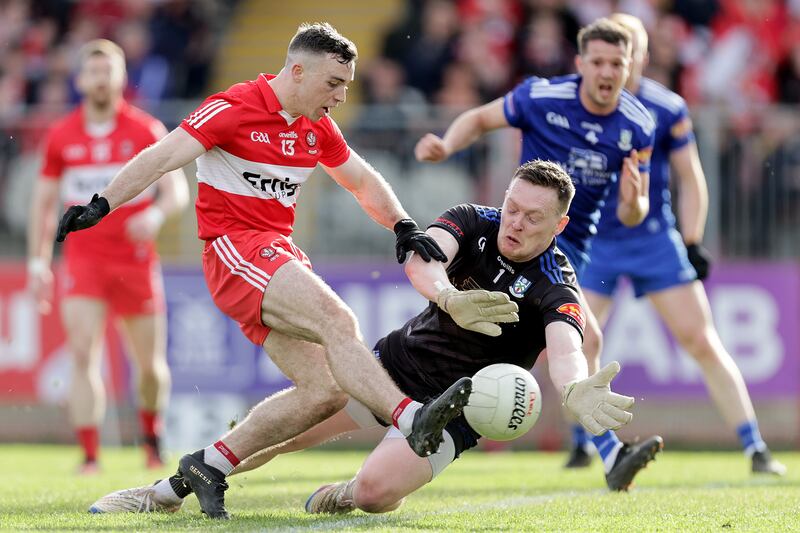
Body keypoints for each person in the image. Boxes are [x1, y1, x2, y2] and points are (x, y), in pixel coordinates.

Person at [57, 23, 486, 519]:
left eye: (346, 85)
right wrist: (103, 203)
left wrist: (403, 224)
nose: (342, 96)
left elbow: (361, 180)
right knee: (339, 322)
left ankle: (188, 477)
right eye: (333, 83)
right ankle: (413, 418)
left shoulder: (315, 123)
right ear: (297, 71)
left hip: (274, 256)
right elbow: (161, 157)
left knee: (325, 392)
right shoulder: (233, 107)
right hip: (234, 252)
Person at [88, 160, 643, 516]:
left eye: (532, 218)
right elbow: (425, 263)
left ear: (559, 226)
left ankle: (345, 493)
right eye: (513, 207)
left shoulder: (555, 284)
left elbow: (567, 348)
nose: (514, 223)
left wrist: (573, 390)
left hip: (455, 416)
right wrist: (449, 297)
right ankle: (162, 494)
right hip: (390, 372)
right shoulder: (474, 220)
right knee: (280, 436)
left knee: (375, 497)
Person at [414, 18, 663, 487]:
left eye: (617, 63)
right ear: (580, 64)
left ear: (630, 67)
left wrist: (634, 203)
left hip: (570, 248)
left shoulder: (639, 124)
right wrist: (447, 144)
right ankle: (606, 454)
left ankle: (588, 445)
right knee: (585, 339)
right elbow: (480, 118)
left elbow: (636, 211)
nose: (608, 72)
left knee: (576, 342)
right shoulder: (541, 98)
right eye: (599, 62)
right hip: (522, 236)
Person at [577, 13, 785, 475]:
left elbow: (692, 179)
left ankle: (755, 447)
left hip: (653, 240)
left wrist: (690, 241)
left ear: (641, 57)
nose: (615, 66)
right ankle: (586, 441)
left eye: (626, 52)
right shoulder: (572, 103)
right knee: (579, 342)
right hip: (594, 240)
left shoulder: (666, 107)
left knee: (702, 340)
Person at [27, 39, 189, 473]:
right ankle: (90, 455)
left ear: (121, 78)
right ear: (80, 80)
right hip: (84, 261)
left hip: (135, 260)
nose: (101, 79)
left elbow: (176, 191)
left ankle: (152, 443)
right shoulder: (62, 135)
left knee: (149, 366)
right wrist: (38, 262)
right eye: (93, 71)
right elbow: (43, 205)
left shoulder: (145, 130)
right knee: (83, 355)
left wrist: (155, 215)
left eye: (109, 71)